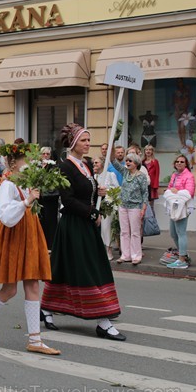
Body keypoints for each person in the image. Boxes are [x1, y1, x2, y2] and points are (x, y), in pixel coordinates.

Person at [41, 124, 126, 341]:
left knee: (70, 267)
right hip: (74, 225)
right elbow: (68, 200)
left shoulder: (86, 164)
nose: (88, 144)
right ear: (73, 143)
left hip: (86, 225)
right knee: (88, 268)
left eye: (89, 140)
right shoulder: (65, 166)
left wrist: (99, 190)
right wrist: (91, 213)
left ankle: (48, 306)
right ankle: (102, 320)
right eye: (84, 140)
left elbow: (86, 189)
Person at [0, 143, 59, 355]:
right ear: (13, 163)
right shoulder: (8, 185)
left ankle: (35, 339)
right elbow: (5, 216)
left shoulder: (27, 183)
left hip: (29, 233)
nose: (31, 163)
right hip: (12, 235)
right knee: (9, 289)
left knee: (33, 285)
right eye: (26, 160)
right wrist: (27, 202)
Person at [111, 152, 148, 265]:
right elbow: (114, 161)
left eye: (130, 161)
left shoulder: (141, 176)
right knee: (124, 232)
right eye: (127, 160)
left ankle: (136, 255)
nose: (127, 162)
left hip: (135, 207)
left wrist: (143, 209)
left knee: (135, 232)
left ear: (136, 163)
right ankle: (125, 255)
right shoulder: (125, 172)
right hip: (123, 206)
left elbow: (145, 193)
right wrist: (112, 144)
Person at [162, 155, 195, 269]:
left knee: (181, 233)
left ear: (186, 164)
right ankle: (183, 253)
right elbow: (169, 188)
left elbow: (189, 192)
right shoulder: (174, 175)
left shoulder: (189, 176)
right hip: (174, 207)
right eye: (177, 161)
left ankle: (182, 259)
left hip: (183, 208)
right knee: (173, 233)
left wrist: (176, 192)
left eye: (182, 161)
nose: (179, 163)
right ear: (174, 164)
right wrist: (170, 192)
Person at [93, 157, 119, 260]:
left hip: (107, 204)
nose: (94, 164)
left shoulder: (110, 175)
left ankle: (108, 249)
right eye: (94, 163)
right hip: (96, 205)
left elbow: (117, 188)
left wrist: (106, 190)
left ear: (102, 164)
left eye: (96, 162)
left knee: (106, 227)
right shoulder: (94, 176)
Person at [38, 147, 60, 251]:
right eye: (44, 154)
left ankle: (51, 245)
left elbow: (55, 184)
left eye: (47, 154)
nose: (45, 156)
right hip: (40, 198)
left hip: (51, 197)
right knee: (41, 220)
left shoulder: (54, 167)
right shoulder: (37, 166)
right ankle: (42, 243)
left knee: (51, 221)